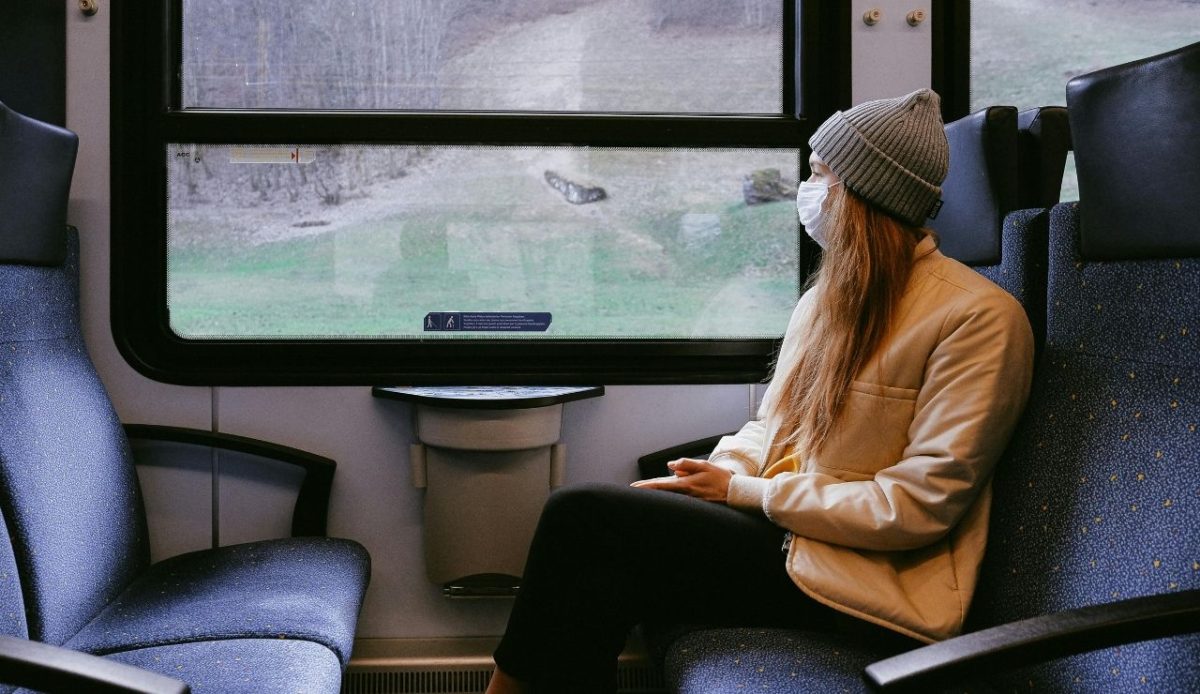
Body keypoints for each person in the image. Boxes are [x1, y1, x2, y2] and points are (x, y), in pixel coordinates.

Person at [485, 89, 1035, 693]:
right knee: (599, 561)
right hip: (796, 538)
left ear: (863, 195)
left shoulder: (979, 318)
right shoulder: (828, 299)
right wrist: (715, 477)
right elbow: (769, 428)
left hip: (869, 579)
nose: (809, 192)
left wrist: (745, 491)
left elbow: (917, 506)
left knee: (584, 518)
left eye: (822, 175)